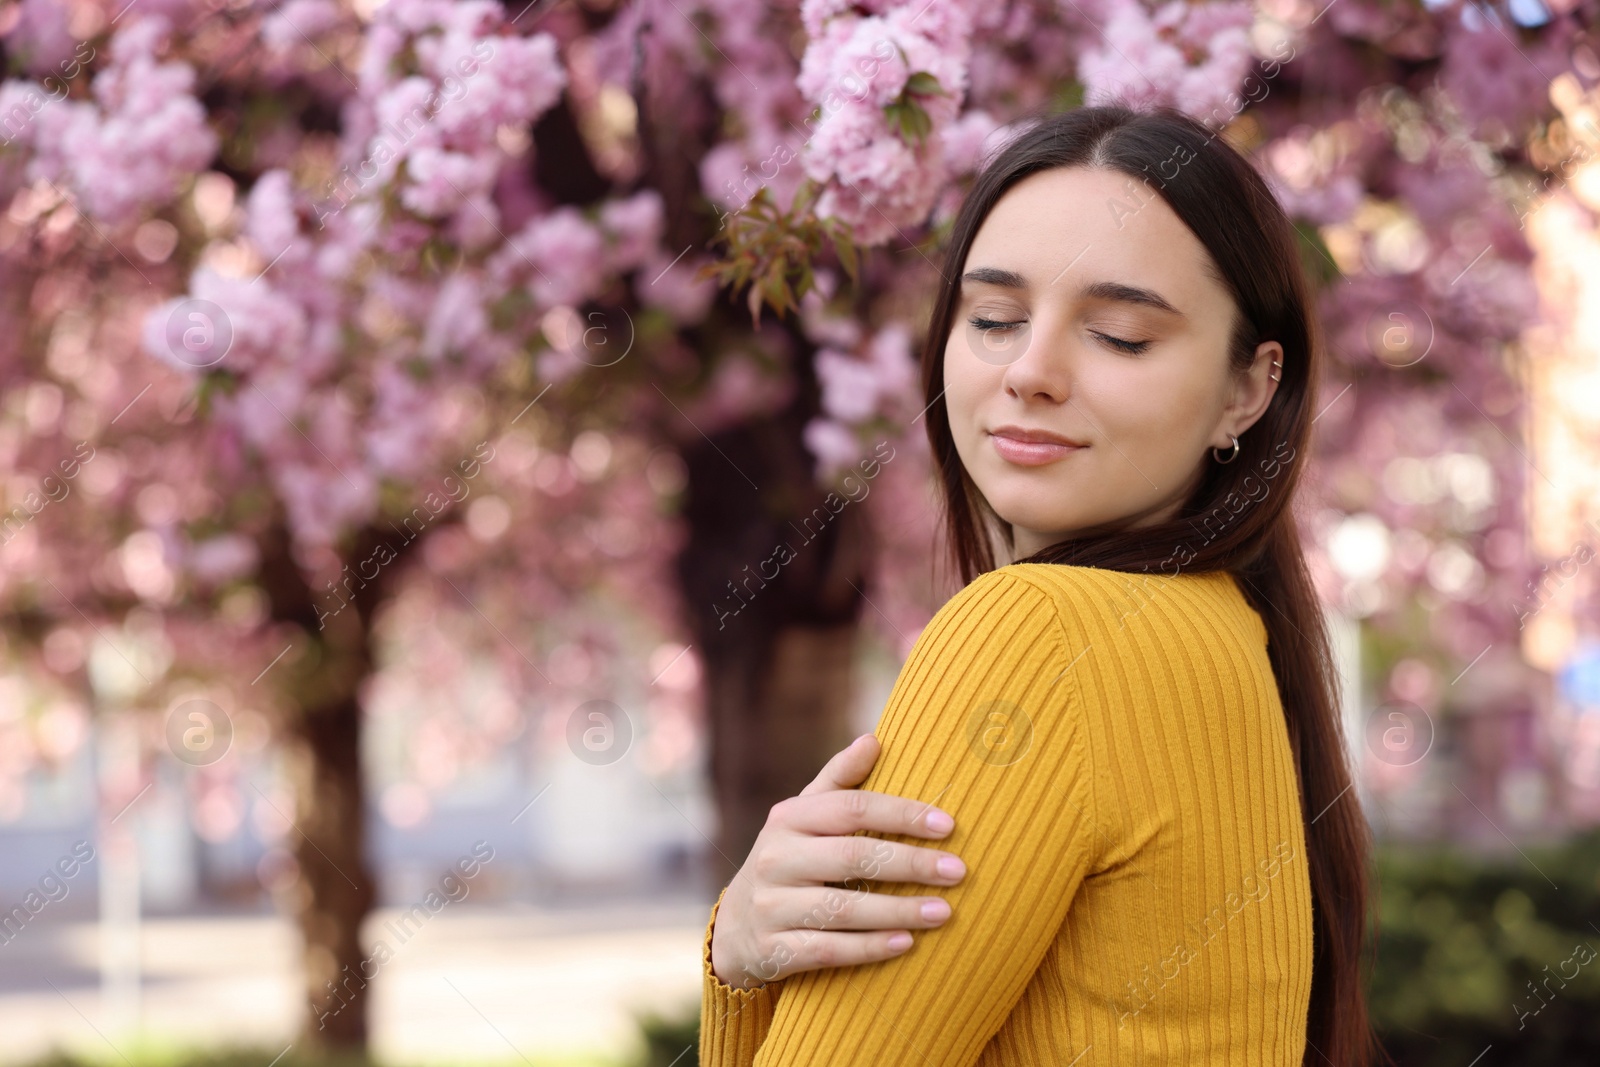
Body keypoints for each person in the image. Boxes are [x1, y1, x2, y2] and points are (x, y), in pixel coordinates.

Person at [697, 103, 1378, 1066]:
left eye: (1121, 336)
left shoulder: (1038, 630)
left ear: (1249, 389)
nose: (1030, 372)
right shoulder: (1231, 630)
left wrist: (736, 968)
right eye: (995, 319)